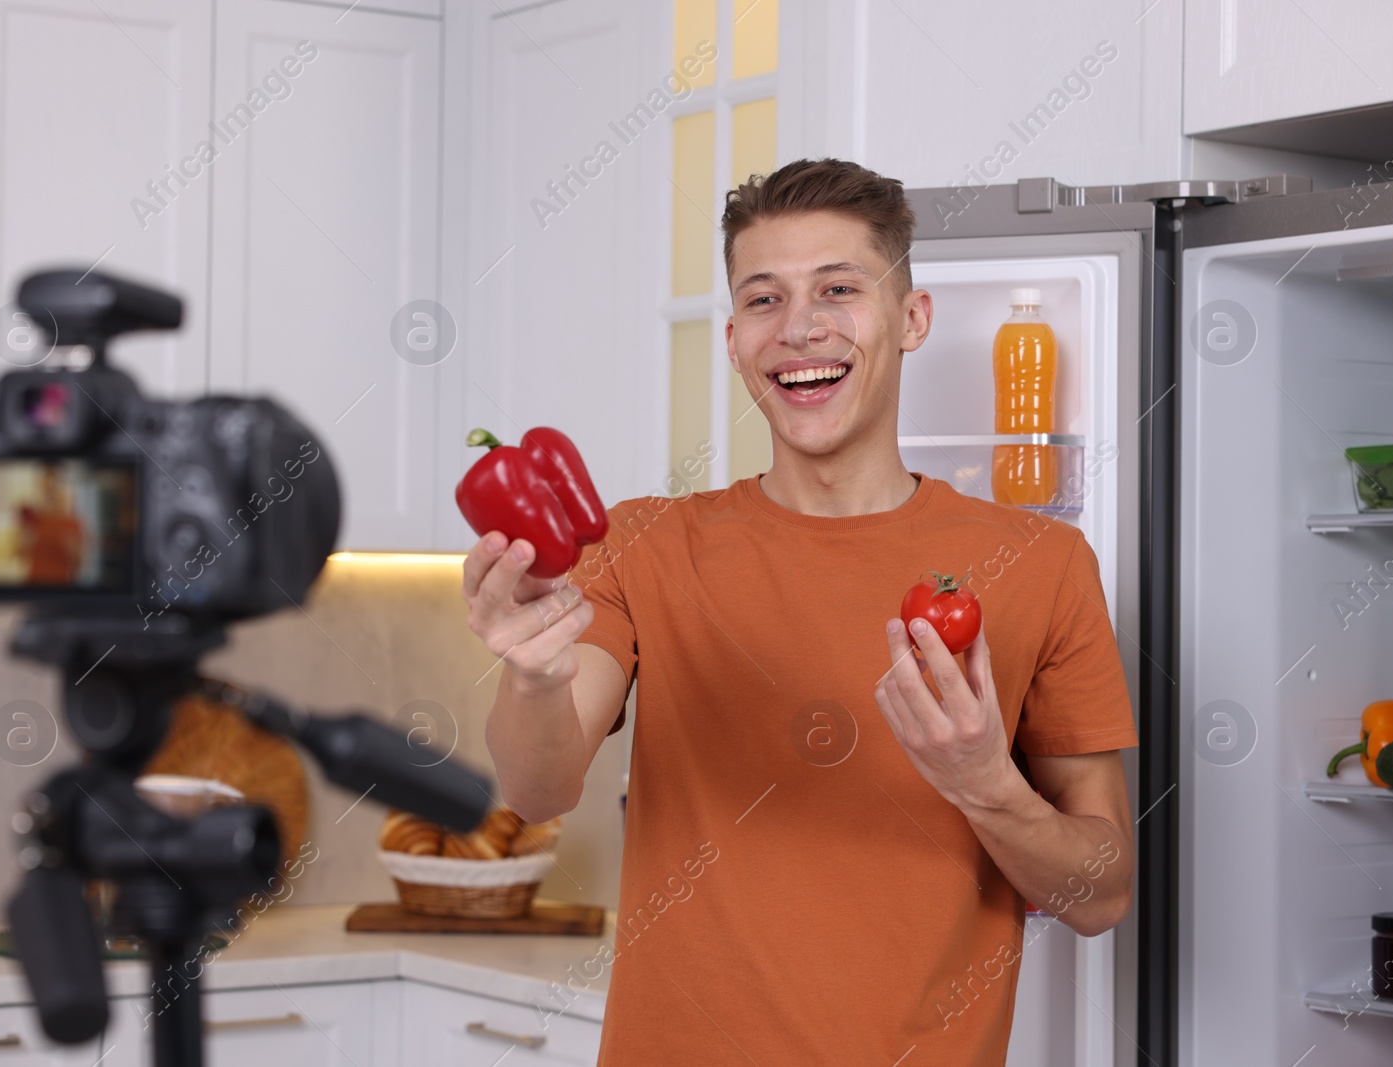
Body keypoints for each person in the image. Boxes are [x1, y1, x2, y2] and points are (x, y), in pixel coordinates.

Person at [462, 158, 1137, 1064]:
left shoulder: (1044, 563)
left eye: (840, 289)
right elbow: (537, 788)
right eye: (765, 299)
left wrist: (983, 781)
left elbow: (1102, 893)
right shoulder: (641, 545)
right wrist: (534, 676)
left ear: (912, 318)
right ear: (736, 337)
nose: (801, 328)